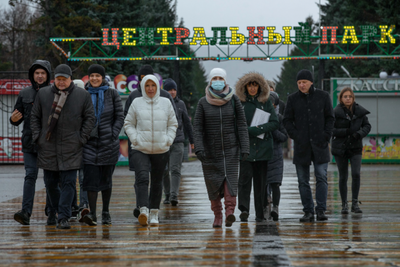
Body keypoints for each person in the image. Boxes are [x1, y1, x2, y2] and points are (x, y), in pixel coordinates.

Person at [31, 64, 95, 229]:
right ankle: (58, 210)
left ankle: (64, 217)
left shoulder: (82, 95)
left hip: (71, 146)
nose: (61, 82)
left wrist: (81, 138)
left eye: (64, 79)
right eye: (58, 79)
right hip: (48, 145)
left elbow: (90, 118)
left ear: (70, 79)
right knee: (50, 183)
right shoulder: (44, 94)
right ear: (54, 79)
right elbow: (34, 116)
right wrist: (38, 137)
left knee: (69, 183)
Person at [193, 68, 249, 228]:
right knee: (213, 184)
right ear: (210, 82)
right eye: (215, 78)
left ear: (225, 81)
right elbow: (197, 127)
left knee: (230, 182)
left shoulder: (234, 100)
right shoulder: (203, 102)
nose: (218, 81)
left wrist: (244, 146)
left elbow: (242, 124)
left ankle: (229, 213)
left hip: (231, 150)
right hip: (210, 152)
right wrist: (199, 148)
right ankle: (217, 215)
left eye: (220, 78)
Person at [123, 65, 177, 218]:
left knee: (157, 180)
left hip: (161, 148)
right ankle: (143, 209)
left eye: (153, 85)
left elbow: (173, 122)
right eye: (147, 84)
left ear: (157, 85)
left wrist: (168, 140)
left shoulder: (166, 100)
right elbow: (127, 122)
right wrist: (135, 139)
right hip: (140, 148)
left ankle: (154, 212)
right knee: (142, 177)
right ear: (141, 84)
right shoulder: (135, 100)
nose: (150, 88)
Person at [283, 69, 334, 222]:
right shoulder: (292, 99)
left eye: (304, 82)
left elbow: (330, 118)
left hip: (320, 144)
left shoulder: (323, 96)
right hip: (302, 145)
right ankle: (308, 211)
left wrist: (326, 136)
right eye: (299, 83)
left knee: (321, 177)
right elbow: (286, 121)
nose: (302, 85)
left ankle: (321, 210)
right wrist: (296, 135)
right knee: (302, 180)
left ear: (311, 82)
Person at [10, 60, 53, 225]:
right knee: (30, 175)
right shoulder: (24, 93)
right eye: (37, 73)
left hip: (49, 142)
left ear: (47, 75)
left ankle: (51, 211)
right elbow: (16, 117)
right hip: (29, 142)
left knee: (50, 178)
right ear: (32, 75)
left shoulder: (53, 92)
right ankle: (26, 212)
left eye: (43, 73)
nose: (40, 76)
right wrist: (12, 120)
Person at [80, 64, 124, 226]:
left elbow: (120, 116)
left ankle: (105, 211)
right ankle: (92, 213)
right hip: (89, 145)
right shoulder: (83, 95)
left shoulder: (112, 94)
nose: (94, 78)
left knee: (106, 181)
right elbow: (79, 117)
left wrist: (113, 134)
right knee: (90, 181)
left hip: (108, 144)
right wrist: (82, 136)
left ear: (103, 78)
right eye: (92, 76)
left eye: (97, 76)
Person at [234, 72, 279, 222]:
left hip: (262, 148)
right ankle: (244, 209)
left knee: (261, 183)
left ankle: (260, 212)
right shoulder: (239, 102)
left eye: (255, 85)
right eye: (250, 85)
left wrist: (256, 129)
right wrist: (246, 131)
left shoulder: (265, 102)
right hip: (246, 148)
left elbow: (274, 122)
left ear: (259, 86)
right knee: (244, 180)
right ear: (245, 87)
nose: (252, 88)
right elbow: (235, 123)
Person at [331, 87, 371, 214]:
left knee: (356, 174)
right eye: (345, 96)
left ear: (353, 98)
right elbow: (331, 129)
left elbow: (367, 126)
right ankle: (344, 204)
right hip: (340, 148)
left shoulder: (359, 111)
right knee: (343, 176)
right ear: (341, 98)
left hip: (355, 147)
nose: (348, 98)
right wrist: (346, 132)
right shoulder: (335, 112)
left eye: (350, 96)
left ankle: (355, 202)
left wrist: (359, 134)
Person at [162, 78, 194, 206]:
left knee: (175, 169)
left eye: (174, 89)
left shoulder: (181, 104)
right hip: (163, 142)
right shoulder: (160, 103)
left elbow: (187, 123)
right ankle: (168, 194)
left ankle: (174, 196)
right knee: (164, 170)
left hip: (178, 141)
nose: (172, 92)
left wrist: (192, 140)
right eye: (170, 89)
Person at [264, 91, 288, 221]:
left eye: (272, 104)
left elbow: (284, 136)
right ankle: (264, 207)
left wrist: (273, 130)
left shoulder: (279, 118)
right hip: (263, 154)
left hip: (276, 155)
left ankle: (275, 207)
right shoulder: (261, 117)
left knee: (275, 184)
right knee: (263, 184)